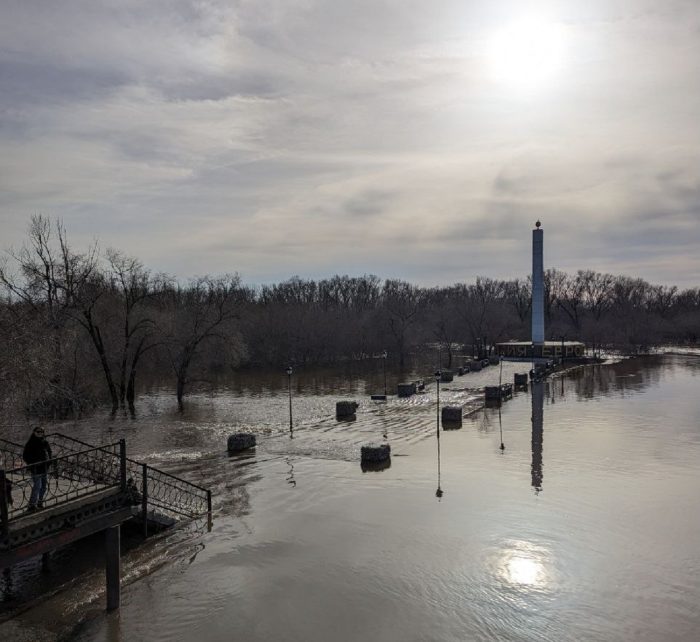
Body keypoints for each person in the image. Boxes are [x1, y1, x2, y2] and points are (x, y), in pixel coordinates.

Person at [22, 426, 53, 511]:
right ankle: (32, 505)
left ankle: (40, 502)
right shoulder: (30, 443)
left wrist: (49, 461)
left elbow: (49, 452)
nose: (40, 433)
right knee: (37, 486)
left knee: (43, 486)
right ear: (34, 432)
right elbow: (25, 456)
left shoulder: (45, 442)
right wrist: (34, 463)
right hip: (36, 468)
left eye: (41, 432)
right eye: (38, 432)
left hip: (44, 467)